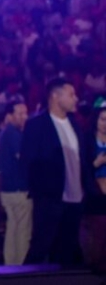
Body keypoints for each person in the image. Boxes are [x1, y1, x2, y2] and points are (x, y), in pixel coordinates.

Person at [22, 78, 83, 266]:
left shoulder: (75, 124)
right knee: (40, 247)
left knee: (66, 251)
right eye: (71, 94)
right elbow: (29, 162)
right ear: (56, 96)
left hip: (75, 199)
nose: (76, 99)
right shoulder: (36, 125)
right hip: (50, 199)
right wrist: (42, 193)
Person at [0, 101, 31, 265]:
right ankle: (21, 267)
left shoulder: (5, 133)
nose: (25, 117)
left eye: (26, 113)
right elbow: (22, 158)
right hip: (19, 189)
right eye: (20, 113)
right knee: (23, 230)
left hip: (8, 189)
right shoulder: (14, 134)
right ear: (10, 116)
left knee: (12, 229)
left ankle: (10, 265)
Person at [80, 103, 106, 272]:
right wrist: (96, 163)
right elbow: (82, 169)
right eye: (103, 119)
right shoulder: (87, 140)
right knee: (97, 235)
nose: (105, 124)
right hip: (94, 194)